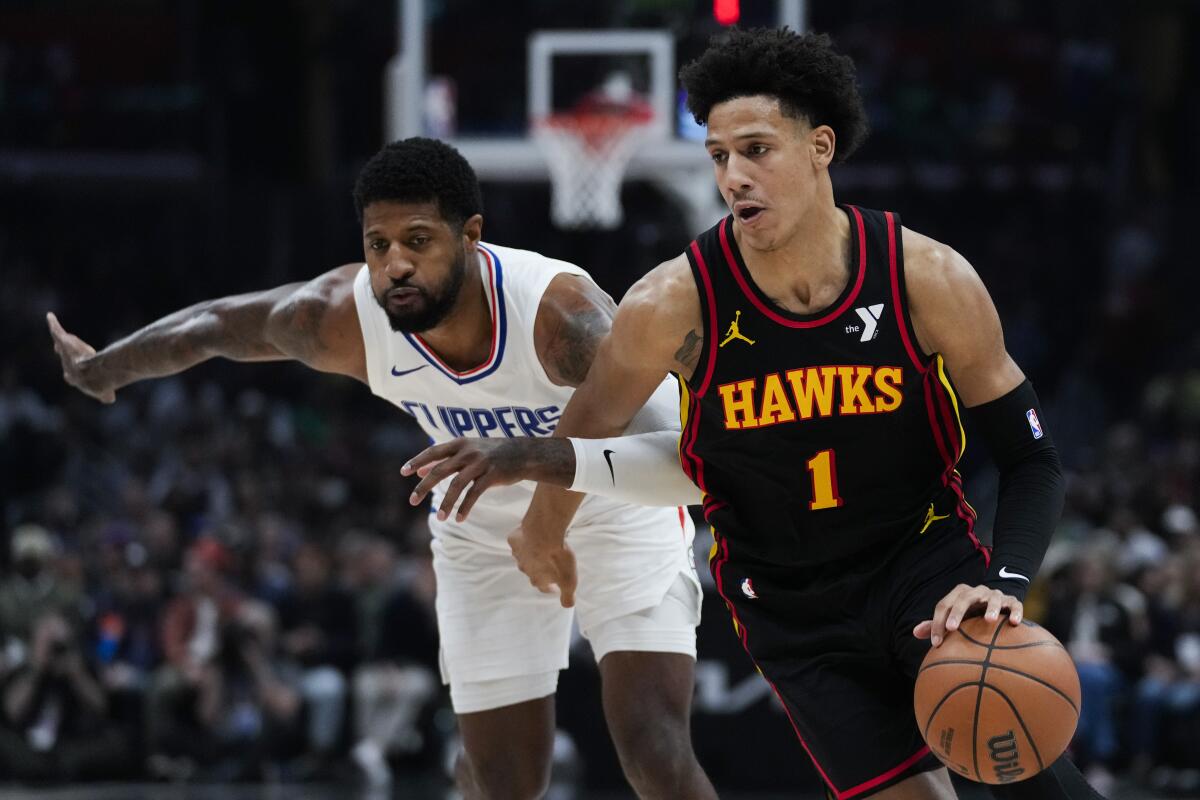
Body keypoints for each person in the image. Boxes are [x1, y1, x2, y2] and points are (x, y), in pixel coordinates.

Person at [404, 28, 1108, 800]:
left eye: (757, 149)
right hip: (790, 608)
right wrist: (541, 532)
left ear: (821, 147)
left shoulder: (924, 277)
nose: (734, 176)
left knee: (1036, 776)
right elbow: (588, 423)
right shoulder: (671, 303)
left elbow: (1032, 457)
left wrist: (1005, 580)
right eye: (717, 157)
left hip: (923, 569)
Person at [47, 137, 714, 799]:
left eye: (418, 241)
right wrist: (106, 367)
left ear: (470, 236)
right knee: (503, 779)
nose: (395, 264)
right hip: (482, 528)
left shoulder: (562, 320)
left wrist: (543, 515)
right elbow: (216, 327)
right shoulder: (340, 318)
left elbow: (683, 460)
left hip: (616, 506)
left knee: (652, 750)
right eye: (378, 244)